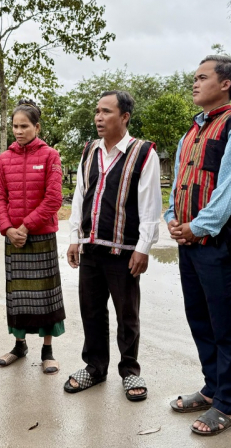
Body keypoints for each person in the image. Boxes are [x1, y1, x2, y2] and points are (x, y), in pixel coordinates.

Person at [165, 55, 231, 436]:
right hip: (188, 240)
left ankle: (228, 404)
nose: (194, 83)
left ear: (225, 84)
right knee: (199, 317)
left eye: (202, 77)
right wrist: (173, 217)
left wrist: (198, 226)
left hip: (219, 243)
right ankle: (211, 388)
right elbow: (177, 181)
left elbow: (230, 189)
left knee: (224, 324)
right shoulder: (190, 131)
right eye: (194, 77)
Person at [65, 90, 160, 401]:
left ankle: (130, 371)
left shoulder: (143, 153)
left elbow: (149, 205)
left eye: (106, 112)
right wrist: (74, 238)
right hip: (91, 247)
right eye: (97, 112)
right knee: (91, 311)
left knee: (127, 314)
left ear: (125, 117)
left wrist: (143, 247)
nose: (98, 118)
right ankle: (94, 368)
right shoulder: (89, 151)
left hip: (124, 252)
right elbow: (80, 196)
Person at [0, 99, 65, 373]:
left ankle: (48, 350)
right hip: (13, 238)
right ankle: (19, 345)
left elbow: (54, 199)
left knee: (46, 295)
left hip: (40, 235)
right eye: (15, 126)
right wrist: (8, 229)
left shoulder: (50, 156)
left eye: (24, 126)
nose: (19, 131)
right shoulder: (4, 158)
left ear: (37, 127)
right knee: (18, 294)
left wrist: (25, 227)